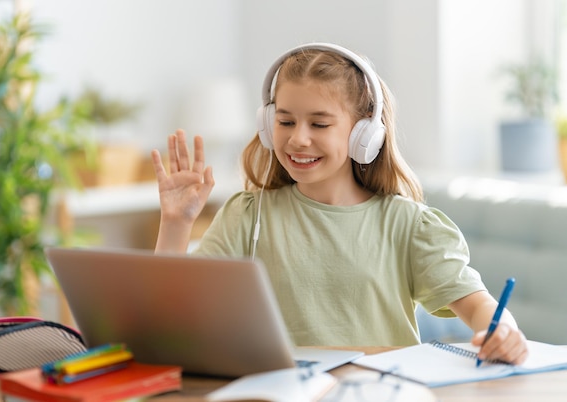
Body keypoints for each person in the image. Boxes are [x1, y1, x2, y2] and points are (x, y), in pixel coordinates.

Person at [151, 43, 528, 364]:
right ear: (268, 126)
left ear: (364, 133)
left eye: (319, 124)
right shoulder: (249, 216)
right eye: (285, 122)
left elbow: (478, 306)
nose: (298, 139)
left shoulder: (409, 225)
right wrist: (176, 224)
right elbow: (170, 314)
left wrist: (503, 331)